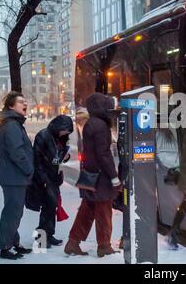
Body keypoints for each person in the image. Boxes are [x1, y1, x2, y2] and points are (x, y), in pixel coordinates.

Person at [64, 93, 121, 257]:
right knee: (104, 210)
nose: (110, 109)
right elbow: (104, 154)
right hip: (101, 177)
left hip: (90, 174)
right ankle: (104, 246)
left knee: (87, 209)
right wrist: (114, 177)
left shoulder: (91, 123)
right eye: (107, 105)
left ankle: (73, 242)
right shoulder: (101, 125)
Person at [0, 91, 34, 260]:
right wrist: (28, 169)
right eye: (20, 102)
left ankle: (13, 242)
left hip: (14, 176)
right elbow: (17, 152)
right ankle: (5, 247)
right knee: (12, 212)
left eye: (25, 101)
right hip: (14, 176)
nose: (24, 104)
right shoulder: (11, 125)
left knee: (14, 211)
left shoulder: (14, 123)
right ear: (11, 106)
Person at [26, 115, 73, 248]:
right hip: (44, 177)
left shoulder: (61, 138)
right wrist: (43, 180)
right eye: (65, 130)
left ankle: (49, 234)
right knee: (47, 206)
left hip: (54, 177)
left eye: (68, 131)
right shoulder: (43, 136)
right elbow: (37, 159)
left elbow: (59, 157)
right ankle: (41, 238)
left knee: (52, 206)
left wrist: (66, 156)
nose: (66, 133)